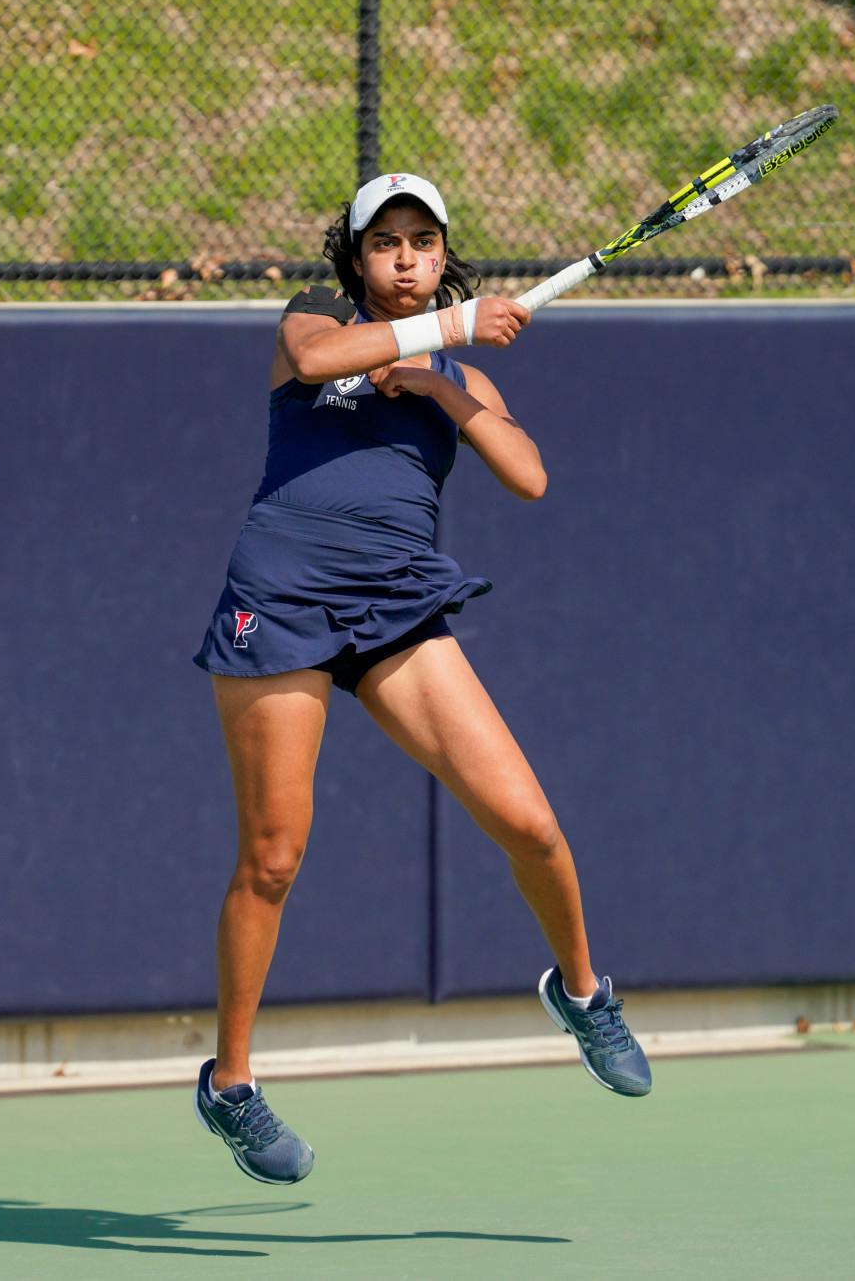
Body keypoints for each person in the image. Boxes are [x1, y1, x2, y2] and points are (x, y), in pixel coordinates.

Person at [188, 173, 650, 1186]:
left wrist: (446, 381)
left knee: (529, 822)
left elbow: (527, 475)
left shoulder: (458, 366)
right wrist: (443, 328)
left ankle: (581, 993)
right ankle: (230, 1084)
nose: (403, 257)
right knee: (272, 856)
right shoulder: (312, 320)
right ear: (354, 260)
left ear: (443, 255)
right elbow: (316, 360)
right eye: (384, 242)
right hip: (282, 599)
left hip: (396, 607)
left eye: (422, 242)